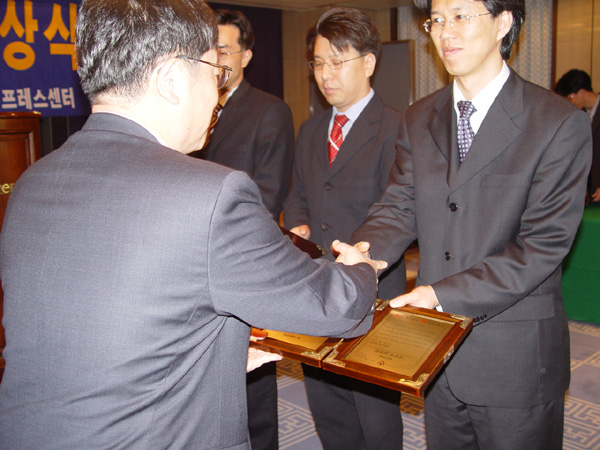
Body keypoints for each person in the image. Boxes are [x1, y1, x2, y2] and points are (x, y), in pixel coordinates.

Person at [0, 1, 388, 448]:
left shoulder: (32, 182)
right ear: (171, 79)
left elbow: (97, 329)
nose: (218, 93)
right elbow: (334, 306)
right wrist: (360, 269)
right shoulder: (209, 195)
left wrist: (214, 351)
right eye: (214, 72)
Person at [351, 0, 592, 449]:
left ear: (503, 22)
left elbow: (541, 246)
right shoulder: (419, 117)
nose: (445, 32)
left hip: (514, 357)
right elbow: (399, 205)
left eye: (461, 16)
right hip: (437, 352)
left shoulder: (556, 122)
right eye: (437, 20)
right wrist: (364, 253)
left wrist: (440, 295)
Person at [283, 8, 404, 450]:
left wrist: (355, 254)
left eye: (337, 62)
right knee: (327, 403)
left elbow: (398, 207)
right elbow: (298, 191)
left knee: (374, 409)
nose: (325, 74)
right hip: (315, 284)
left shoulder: (397, 128)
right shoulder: (311, 128)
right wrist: (298, 222)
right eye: (318, 63)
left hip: (371, 286)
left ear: (368, 63)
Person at [189, 10, 295, 449]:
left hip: (242, 259)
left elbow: (269, 195)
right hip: (191, 261)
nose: (217, 59)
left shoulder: (269, 111)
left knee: (252, 378)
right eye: (210, 50)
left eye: (225, 50)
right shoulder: (190, 105)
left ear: (246, 56)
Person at [555, 69, 600, 204]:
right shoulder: (581, 116)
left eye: (570, 98)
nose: (569, 103)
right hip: (591, 192)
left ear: (582, 93)